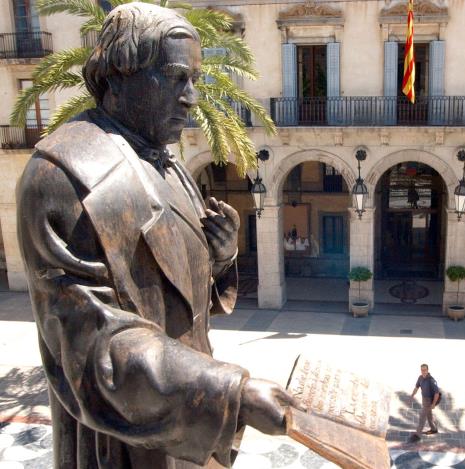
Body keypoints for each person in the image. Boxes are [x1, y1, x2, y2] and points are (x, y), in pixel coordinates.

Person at [16, 4, 299, 468]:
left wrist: (221, 257)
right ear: (118, 76)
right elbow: (95, 348)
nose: (191, 97)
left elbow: (175, 293)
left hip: (190, 426)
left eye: (196, 80)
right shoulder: (62, 177)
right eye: (175, 77)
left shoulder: (166, 164)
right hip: (127, 443)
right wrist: (232, 392)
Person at [409, 363, 440, 441]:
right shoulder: (420, 378)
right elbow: (416, 387)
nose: (423, 371)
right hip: (424, 399)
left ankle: (417, 435)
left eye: (425, 370)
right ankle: (433, 429)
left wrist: (433, 404)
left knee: (422, 417)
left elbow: (437, 393)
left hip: (429, 401)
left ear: (427, 370)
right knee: (429, 416)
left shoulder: (431, 380)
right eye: (422, 370)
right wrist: (412, 395)